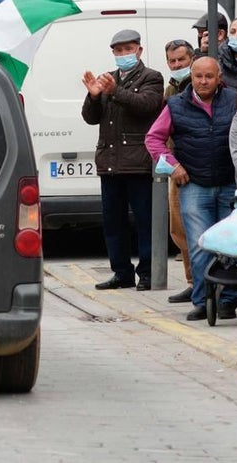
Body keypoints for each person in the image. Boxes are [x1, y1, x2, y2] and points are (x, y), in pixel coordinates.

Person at [145, 56, 237, 321]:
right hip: (194, 185)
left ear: (219, 78)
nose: (203, 81)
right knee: (200, 246)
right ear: (192, 77)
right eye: (198, 76)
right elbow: (153, 139)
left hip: (230, 183)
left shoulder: (235, 100)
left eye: (209, 76)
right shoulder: (175, 104)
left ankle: (228, 301)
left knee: (233, 245)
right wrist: (172, 166)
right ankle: (202, 301)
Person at [81, 29, 165, 291]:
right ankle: (121, 272)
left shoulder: (152, 77)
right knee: (113, 221)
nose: (123, 54)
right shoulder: (109, 79)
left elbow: (147, 105)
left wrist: (115, 91)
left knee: (145, 220)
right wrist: (94, 96)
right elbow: (90, 117)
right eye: (118, 50)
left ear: (139, 51)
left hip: (138, 162)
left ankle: (148, 272)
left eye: (128, 49)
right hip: (110, 162)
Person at [162, 38, 196, 304]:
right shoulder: (170, 88)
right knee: (178, 228)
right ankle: (192, 281)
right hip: (176, 166)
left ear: (192, 59)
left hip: (200, 165)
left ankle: (209, 283)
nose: (176, 65)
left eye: (181, 60)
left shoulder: (200, 84)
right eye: (172, 61)